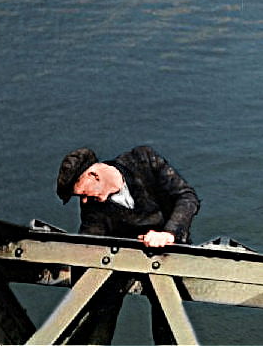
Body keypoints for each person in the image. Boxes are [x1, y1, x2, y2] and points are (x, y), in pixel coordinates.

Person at [56, 145, 200, 342]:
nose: (84, 201)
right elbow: (90, 243)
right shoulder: (93, 209)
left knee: (166, 317)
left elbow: (186, 197)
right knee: (101, 308)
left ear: (94, 175)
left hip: (165, 255)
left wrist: (168, 233)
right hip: (122, 262)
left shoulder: (143, 160)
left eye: (83, 194)